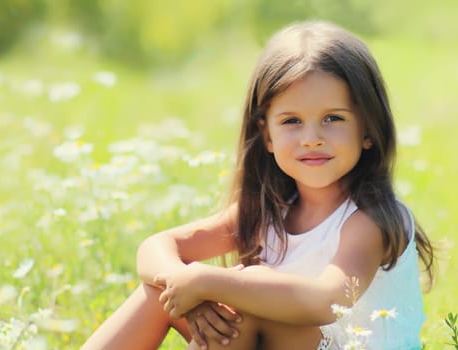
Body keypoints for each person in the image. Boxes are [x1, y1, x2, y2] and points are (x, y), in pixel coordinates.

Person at [81, 20, 435, 350]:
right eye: (292, 121)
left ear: (369, 130)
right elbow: (158, 245)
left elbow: (325, 301)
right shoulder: (270, 210)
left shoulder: (370, 221)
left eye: (333, 119)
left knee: (240, 313)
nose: (311, 138)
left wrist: (212, 283)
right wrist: (183, 284)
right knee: (158, 292)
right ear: (266, 135)